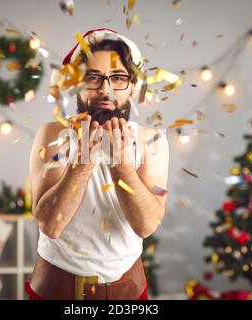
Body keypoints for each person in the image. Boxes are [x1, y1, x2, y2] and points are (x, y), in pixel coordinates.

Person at [26, 28, 169, 300]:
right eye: (93, 78)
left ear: (132, 85)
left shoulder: (153, 141)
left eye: (117, 78)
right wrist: (81, 164)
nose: (105, 89)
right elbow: (50, 225)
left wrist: (121, 165)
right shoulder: (52, 136)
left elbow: (147, 225)